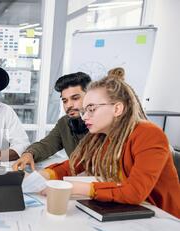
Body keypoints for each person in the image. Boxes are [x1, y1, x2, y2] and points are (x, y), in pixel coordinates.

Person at [40, 68, 180, 217]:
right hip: (129, 210)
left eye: (91, 109)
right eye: (84, 111)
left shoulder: (149, 134)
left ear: (117, 108)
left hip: (163, 217)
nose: (84, 117)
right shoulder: (101, 136)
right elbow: (73, 164)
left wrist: (79, 188)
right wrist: (43, 175)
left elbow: (135, 192)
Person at [13, 72, 91, 171]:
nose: (68, 105)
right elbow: (46, 145)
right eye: (65, 100)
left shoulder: (102, 124)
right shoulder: (65, 122)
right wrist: (29, 154)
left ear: (90, 96)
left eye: (75, 98)